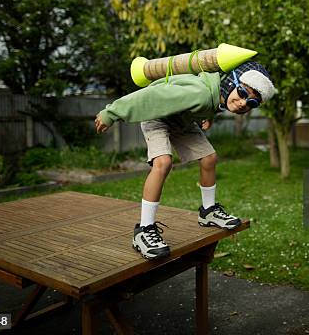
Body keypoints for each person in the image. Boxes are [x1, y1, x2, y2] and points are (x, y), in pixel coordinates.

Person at [94, 61, 276, 260]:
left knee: (209, 158)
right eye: (242, 93)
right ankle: (144, 230)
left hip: (183, 122)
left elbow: (206, 105)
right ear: (230, 83)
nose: (243, 103)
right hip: (158, 117)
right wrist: (111, 113)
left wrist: (207, 115)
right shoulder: (200, 93)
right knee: (163, 163)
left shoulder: (217, 96)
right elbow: (148, 97)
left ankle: (208, 212)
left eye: (251, 104)